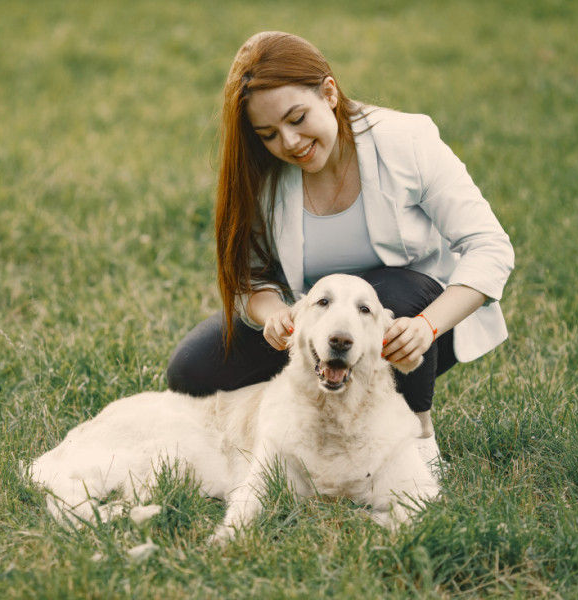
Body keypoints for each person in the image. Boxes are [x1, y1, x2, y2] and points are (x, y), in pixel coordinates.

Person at [166, 31, 514, 468]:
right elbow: (251, 278)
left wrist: (427, 326)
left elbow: (490, 246)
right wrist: (272, 314)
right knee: (192, 372)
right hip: (314, 328)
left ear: (329, 93)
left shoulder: (407, 140)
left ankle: (419, 439)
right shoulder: (266, 174)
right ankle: (273, 431)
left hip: (413, 323)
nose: (289, 143)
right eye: (269, 133)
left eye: (297, 118)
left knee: (391, 294)